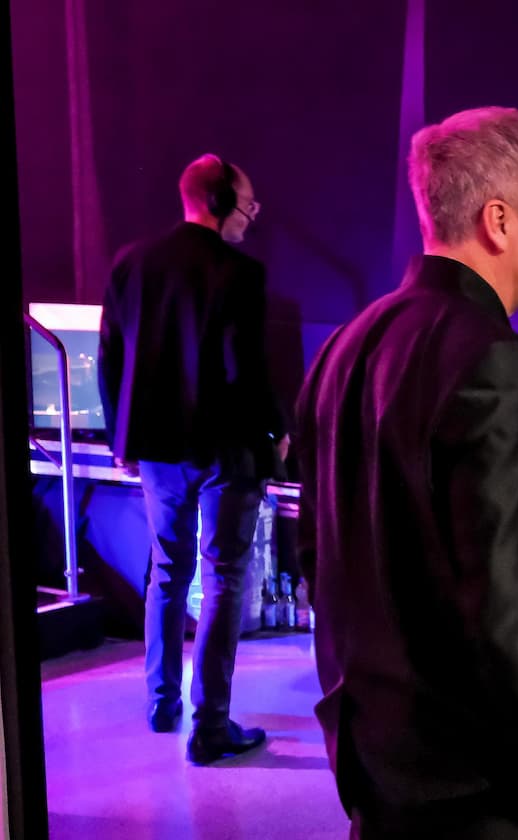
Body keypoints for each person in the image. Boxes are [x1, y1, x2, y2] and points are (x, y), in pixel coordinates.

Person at [294, 106, 518, 840]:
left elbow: (318, 558)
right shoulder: (500, 364)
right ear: (499, 221)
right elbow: (513, 609)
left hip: (378, 763)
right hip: (482, 786)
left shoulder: (347, 345)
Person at [98, 153, 283, 764]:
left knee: (167, 570)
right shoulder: (241, 274)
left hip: (155, 450)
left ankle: (161, 702)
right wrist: (275, 433)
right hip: (225, 451)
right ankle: (211, 727)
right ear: (221, 201)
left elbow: (110, 360)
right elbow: (246, 373)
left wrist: (120, 440)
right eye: (248, 204)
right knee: (224, 577)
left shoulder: (130, 263)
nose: (251, 217)